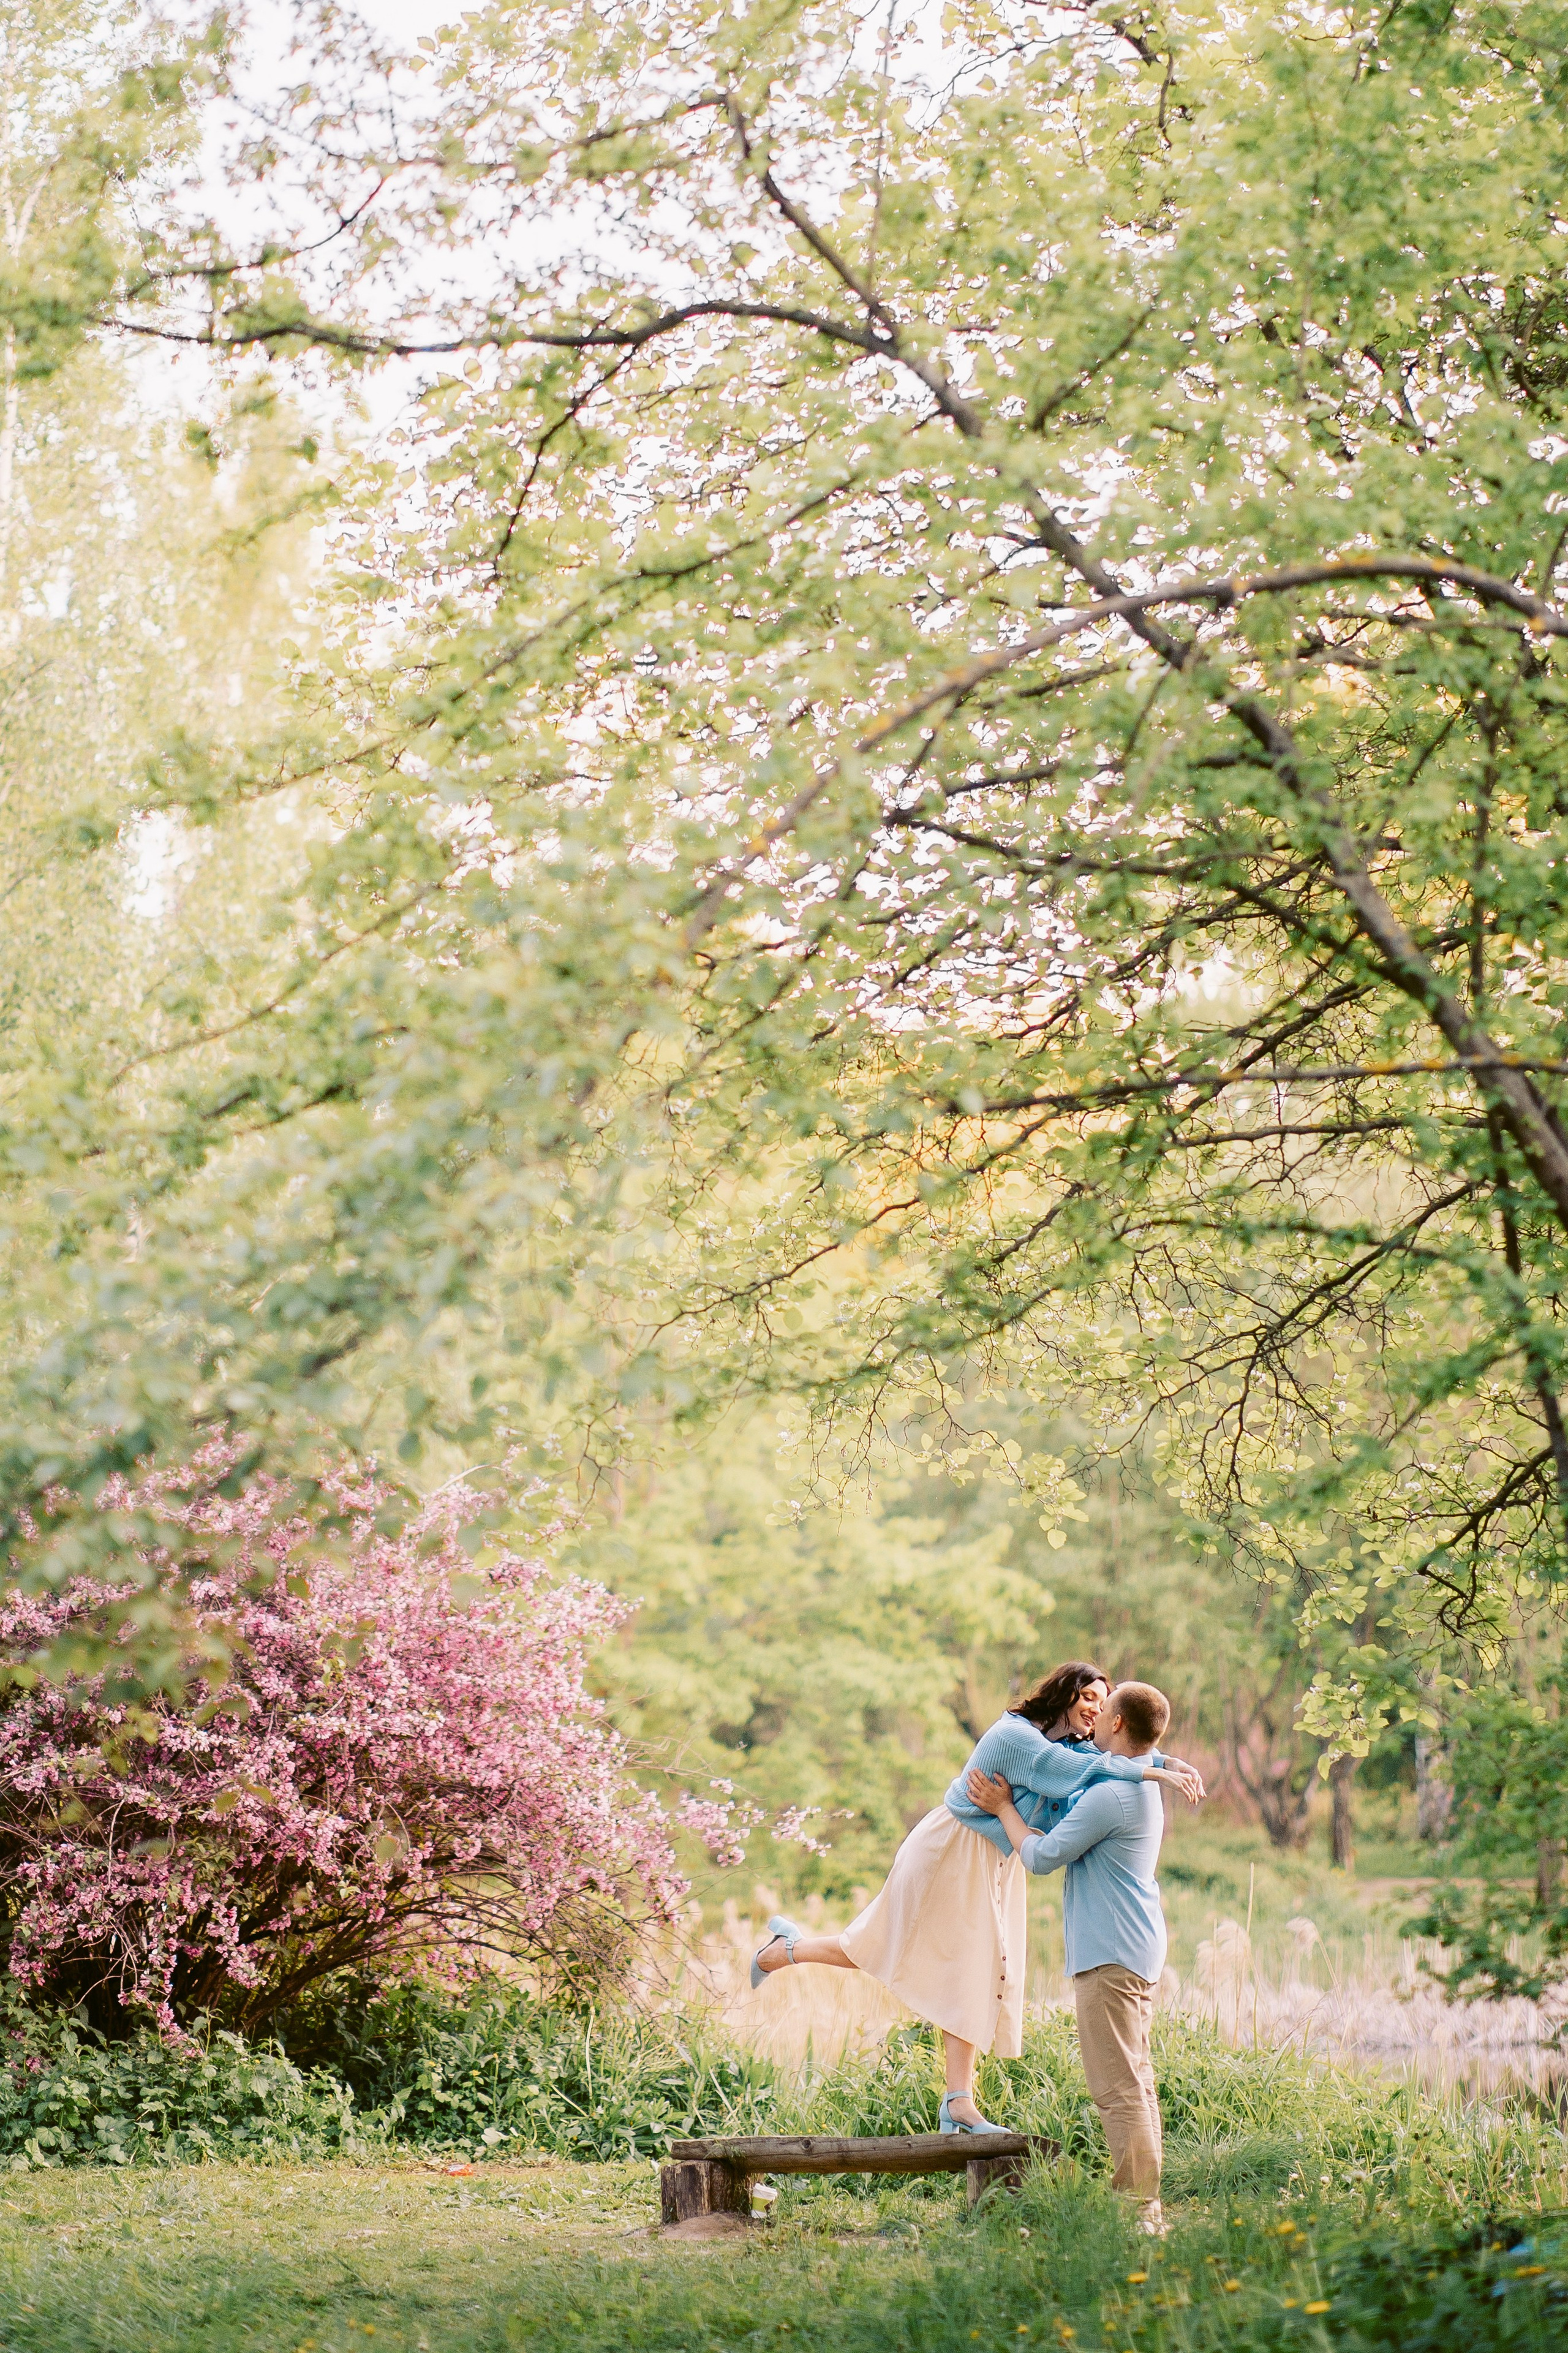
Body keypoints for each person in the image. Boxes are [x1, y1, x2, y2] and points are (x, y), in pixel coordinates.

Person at [752, 1662, 1202, 2134]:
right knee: (885, 1945)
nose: (1096, 1709)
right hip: (953, 1846)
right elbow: (1076, 1770)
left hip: (995, 1859)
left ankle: (955, 2102)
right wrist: (1157, 1772)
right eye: (1089, 1697)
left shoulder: (1073, 1743)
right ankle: (956, 2103)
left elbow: (1121, 1748)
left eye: (1103, 1701)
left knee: (962, 1964)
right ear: (1064, 1694)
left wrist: (1164, 1761)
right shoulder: (1017, 1738)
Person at [966, 1679, 1175, 2235]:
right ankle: (1146, 2207)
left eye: (1103, 1709)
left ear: (1118, 1725)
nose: (1094, 1715)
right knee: (1137, 2078)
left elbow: (1039, 1855)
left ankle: (1138, 2214)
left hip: (1111, 1952)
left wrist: (1005, 1806)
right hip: (1133, 1944)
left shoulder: (1113, 1795)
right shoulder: (1137, 1777)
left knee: (1117, 2086)